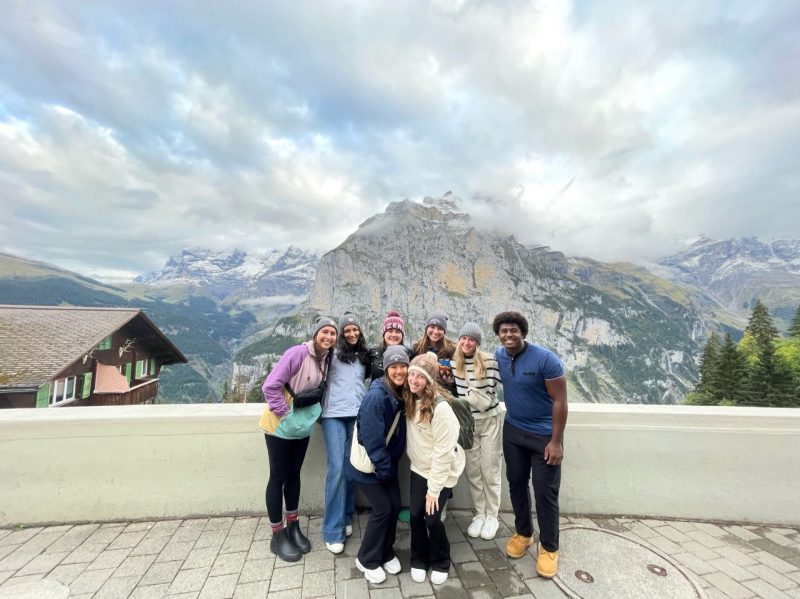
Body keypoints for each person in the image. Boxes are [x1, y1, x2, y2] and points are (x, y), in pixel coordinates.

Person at [492, 311, 568, 579]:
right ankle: (524, 533)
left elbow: (560, 401)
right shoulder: (498, 356)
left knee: (545, 492)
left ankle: (549, 548)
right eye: (503, 331)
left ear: (522, 332)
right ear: (498, 335)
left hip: (543, 435)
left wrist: (556, 441)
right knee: (516, 484)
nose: (508, 335)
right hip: (513, 431)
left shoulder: (545, 359)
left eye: (513, 330)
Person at [260, 316, 338, 562]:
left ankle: (293, 525)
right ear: (316, 333)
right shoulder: (297, 353)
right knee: (278, 477)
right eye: (324, 332)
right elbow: (270, 386)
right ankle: (277, 533)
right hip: (280, 427)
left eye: (332, 334)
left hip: (301, 428)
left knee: (294, 474)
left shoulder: (327, 359)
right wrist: (286, 414)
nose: (328, 337)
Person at [345, 345, 409, 584]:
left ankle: (386, 550)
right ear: (386, 368)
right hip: (370, 465)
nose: (400, 371)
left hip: (386, 463)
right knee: (382, 509)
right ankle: (367, 558)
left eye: (403, 366)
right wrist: (384, 468)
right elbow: (370, 439)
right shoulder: (376, 397)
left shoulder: (400, 392)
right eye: (395, 367)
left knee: (393, 506)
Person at [404, 352, 465, 585]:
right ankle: (418, 557)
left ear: (430, 380)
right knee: (416, 515)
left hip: (442, 471)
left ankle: (441, 559)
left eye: (420, 376)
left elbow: (444, 454)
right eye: (411, 374)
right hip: (419, 467)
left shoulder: (441, 410)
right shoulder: (411, 398)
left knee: (431, 518)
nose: (413, 380)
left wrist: (433, 490)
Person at [321, 312, 369, 554]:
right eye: (346, 330)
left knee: (351, 467)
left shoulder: (363, 356)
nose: (351, 333)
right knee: (338, 469)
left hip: (356, 415)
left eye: (355, 329)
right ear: (340, 333)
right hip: (332, 416)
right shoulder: (332, 355)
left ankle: (347, 516)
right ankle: (332, 529)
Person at [451, 322, 503, 540]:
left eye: (471, 339)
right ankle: (479, 514)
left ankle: (492, 516)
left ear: (477, 343)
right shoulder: (455, 363)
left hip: (490, 420)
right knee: (472, 471)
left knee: (489, 468)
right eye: (464, 338)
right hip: (468, 422)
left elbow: (499, 388)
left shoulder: (490, 361)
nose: (467, 342)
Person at [411, 312, 457, 394]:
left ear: (444, 331)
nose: (436, 331)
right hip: (422, 394)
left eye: (440, 328)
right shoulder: (417, 348)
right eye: (432, 327)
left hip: (445, 395)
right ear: (426, 328)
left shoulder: (451, 350)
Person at [368, 310, 413, 381]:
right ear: (384, 334)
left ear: (402, 335)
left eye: (398, 332)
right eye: (390, 331)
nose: (394, 335)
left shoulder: (409, 353)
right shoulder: (373, 352)